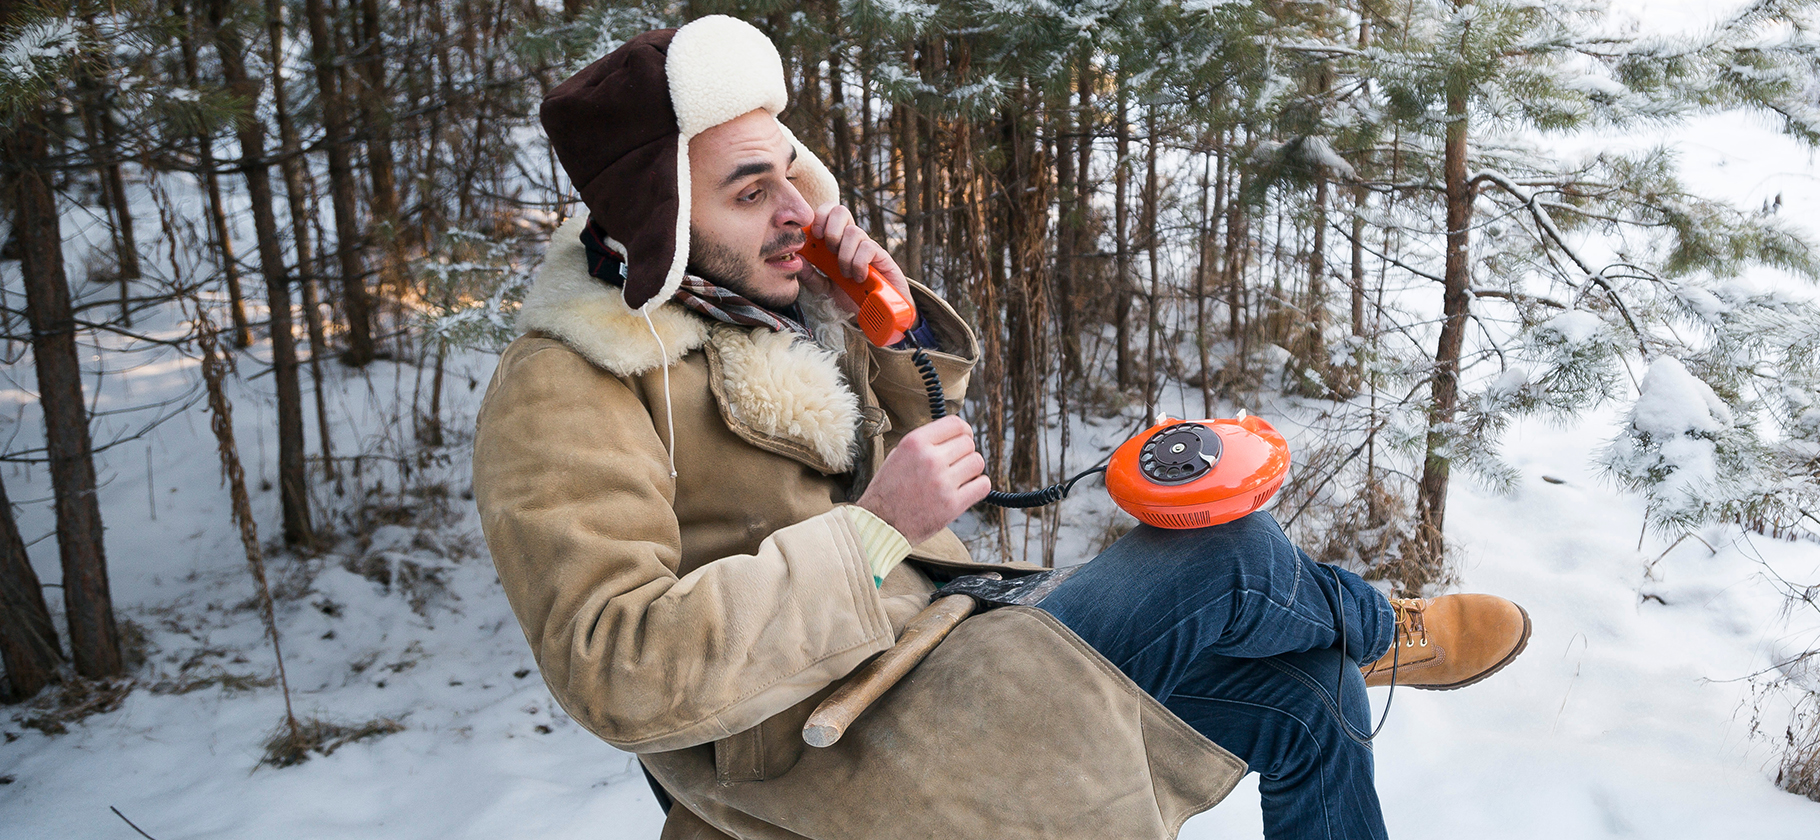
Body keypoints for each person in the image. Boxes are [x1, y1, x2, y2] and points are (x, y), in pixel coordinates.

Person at [472, 15, 1531, 840]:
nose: (794, 210)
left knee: (1311, 693)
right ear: (657, 218)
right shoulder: (569, 386)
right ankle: (1373, 620)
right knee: (1236, 559)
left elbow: (894, 448)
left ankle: (1342, 640)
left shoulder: (748, 298)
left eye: (789, 172)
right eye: (752, 192)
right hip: (814, 743)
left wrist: (871, 302)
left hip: (936, 642)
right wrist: (875, 535)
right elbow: (615, 664)